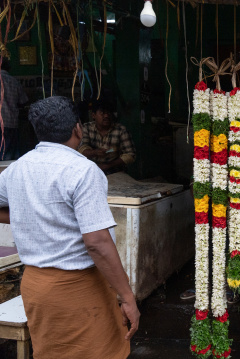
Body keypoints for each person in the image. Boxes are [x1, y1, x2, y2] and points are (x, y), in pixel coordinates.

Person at [0, 96, 140, 359]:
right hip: (79, 288)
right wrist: (127, 296)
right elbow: (96, 242)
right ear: (78, 129)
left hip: (36, 286)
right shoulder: (84, 171)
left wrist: (25, 214)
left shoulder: (16, 169)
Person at [78, 100, 136, 175]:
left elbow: (130, 155)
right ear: (93, 115)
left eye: (108, 113)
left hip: (116, 171)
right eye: (102, 113)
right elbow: (81, 148)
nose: (106, 116)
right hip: (92, 170)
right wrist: (94, 152)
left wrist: (108, 165)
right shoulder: (87, 128)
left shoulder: (121, 130)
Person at [0, 58, 28, 160]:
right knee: (9, 154)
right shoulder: (14, 81)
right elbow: (23, 101)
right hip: (10, 123)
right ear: (8, 68)